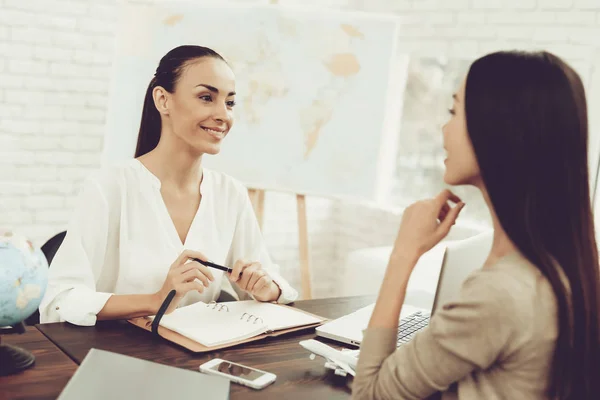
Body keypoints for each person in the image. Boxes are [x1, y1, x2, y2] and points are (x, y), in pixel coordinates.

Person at [352, 51, 600, 400]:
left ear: (498, 132)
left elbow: (369, 394)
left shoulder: (500, 295)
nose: (444, 128)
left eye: (454, 112)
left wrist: (404, 253)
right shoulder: (566, 267)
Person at [39, 45, 298, 326]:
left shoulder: (230, 193)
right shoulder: (108, 187)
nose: (223, 114)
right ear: (163, 100)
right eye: (206, 97)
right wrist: (157, 298)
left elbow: (271, 280)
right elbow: (59, 301)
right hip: (116, 355)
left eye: (230, 102)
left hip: (197, 357)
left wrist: (265, 287)